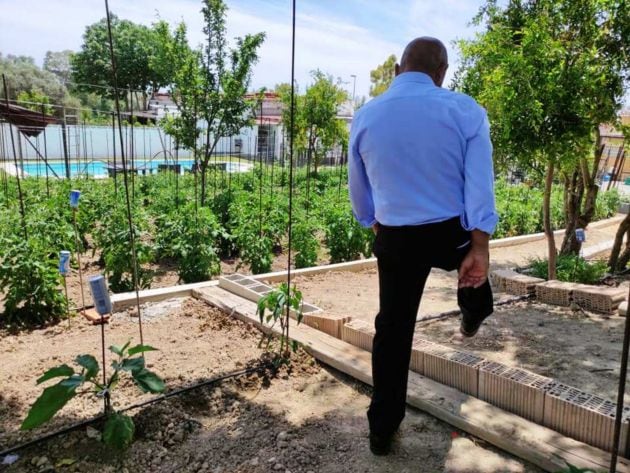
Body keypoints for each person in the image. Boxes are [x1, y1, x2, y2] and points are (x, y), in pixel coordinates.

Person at [348, 37, 498, 456]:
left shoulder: (366, 115)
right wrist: (480, 244)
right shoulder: (465, 110)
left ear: (397, 70)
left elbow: (358, 186)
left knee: (392, 333)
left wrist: (374, 222)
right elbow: (479, 182)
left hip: (395, 234)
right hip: (450, 230)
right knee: (474, 275)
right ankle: (472, 313)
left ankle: (382, 431)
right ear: (441, 73)